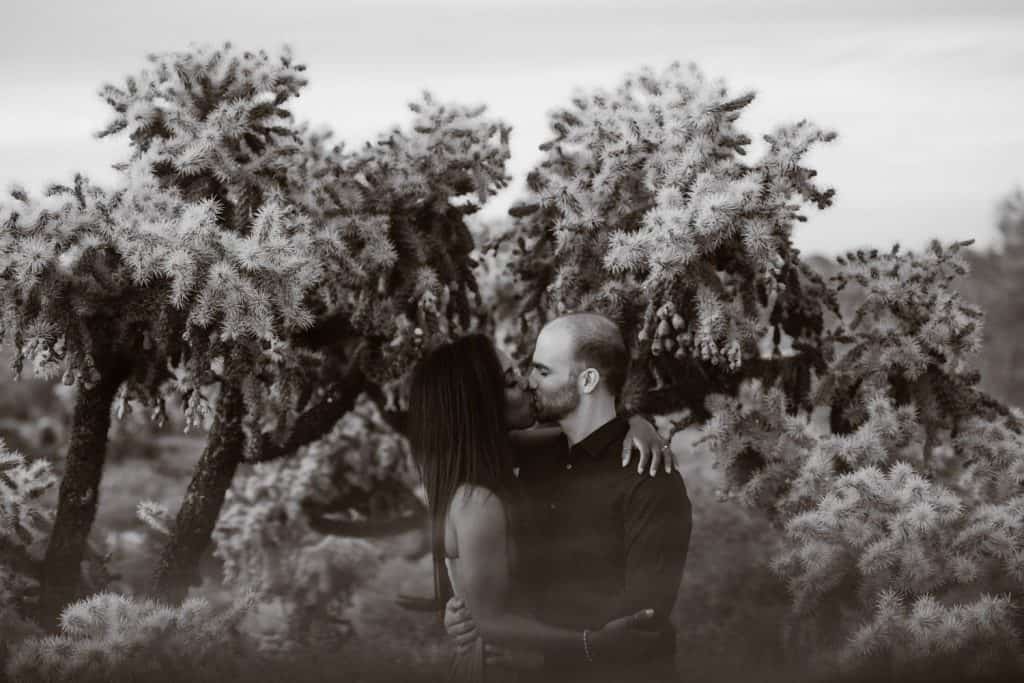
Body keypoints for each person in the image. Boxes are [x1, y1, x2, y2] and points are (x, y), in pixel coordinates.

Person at [407, 334, 673, 683]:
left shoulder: (500, 454)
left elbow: (586, 436)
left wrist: (637, 423)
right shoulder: (478, 504)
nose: (526, 384)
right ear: (481, 405)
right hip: (502, 667)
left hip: (530, 661)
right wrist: (593, 644)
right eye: (509, 382)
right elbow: (493, 622)